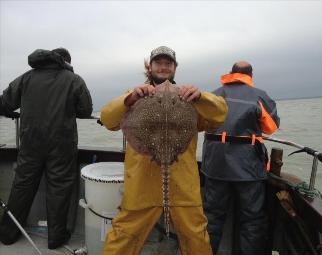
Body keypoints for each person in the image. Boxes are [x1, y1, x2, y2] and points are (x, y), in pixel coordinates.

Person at [100, 46, 227, 255]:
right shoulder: (134, 96)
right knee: (124, 235)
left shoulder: (189, 98)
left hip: (183, 185)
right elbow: (107, 119)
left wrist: (201, 97)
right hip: (141, 185)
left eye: (168, 63)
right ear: (149, 67)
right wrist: (130, 99)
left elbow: (219, 115)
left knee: (196, 237)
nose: (163, 67)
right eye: (158, 62)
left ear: (175, 68)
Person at [0, 48, 93, 249]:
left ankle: (7, 234)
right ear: (65, 61)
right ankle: (56, 239)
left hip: (30, 142)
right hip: (62, 144)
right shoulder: (73, 79)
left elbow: (4, 103)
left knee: (22, 186)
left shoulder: (26, 77)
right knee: (59, 188)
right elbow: (86, 110)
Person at [201, 61, 280, 255]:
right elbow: (271, 127)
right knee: (252, 220)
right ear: (250, 76)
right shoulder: (260, 95)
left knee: (211, 217)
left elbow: (202, 122)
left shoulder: (213, 94)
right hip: (248, 169)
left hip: (215, 166)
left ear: (231, 73)